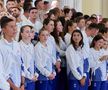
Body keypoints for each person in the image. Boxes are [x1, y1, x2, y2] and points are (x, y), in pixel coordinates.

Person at [0, 16, 25, 90]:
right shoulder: (1, 46)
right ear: (4, 29)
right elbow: (2, 71)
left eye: (15, 26)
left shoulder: (17, 44)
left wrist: (22, 84)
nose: (15, 29)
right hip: (6, 86)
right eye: (11, 27)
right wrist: (13, 87)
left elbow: (21, 64)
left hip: (19, 84)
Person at [19, 25, 38, 90]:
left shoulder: (31, 46)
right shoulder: (18, 46)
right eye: (27, 32)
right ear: (21, 34)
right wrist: (29, 76)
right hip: (24, 79)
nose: (29, 34)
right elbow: (21, 65)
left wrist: (35, 73)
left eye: (30, 32)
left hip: (32, 78)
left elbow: (33, 62)